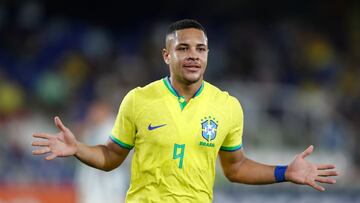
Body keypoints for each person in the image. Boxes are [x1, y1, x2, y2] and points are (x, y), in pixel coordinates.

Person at [32, 19, 338, 202]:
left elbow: (235, 168)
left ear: (207, 55)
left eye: (200, 49)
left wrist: (285, 171)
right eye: (183, 49)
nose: (193, 56)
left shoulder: (227, 106)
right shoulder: (139, 99)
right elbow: (112, 157)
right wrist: (78, 149)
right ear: (167, 55)